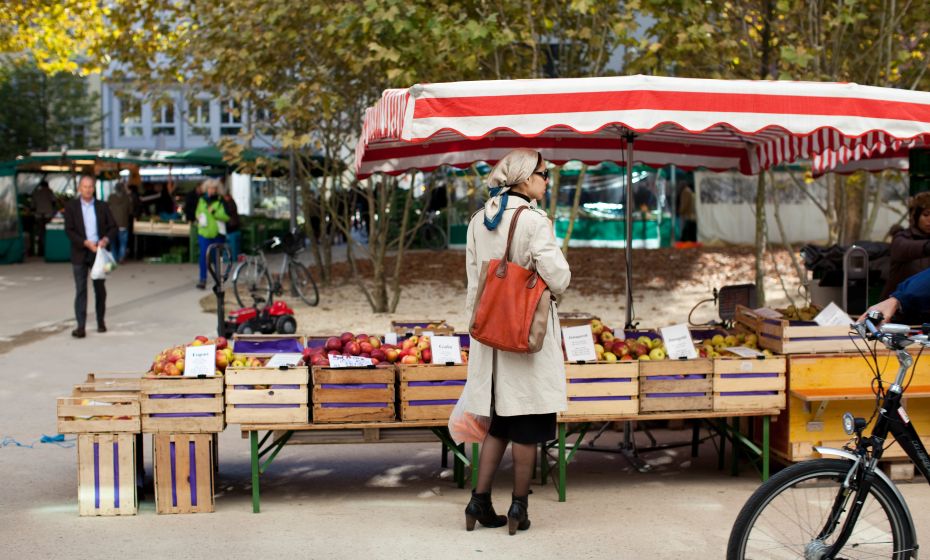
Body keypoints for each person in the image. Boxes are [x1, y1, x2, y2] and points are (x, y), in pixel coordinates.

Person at [461, 148, 571, 535]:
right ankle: (519, 508)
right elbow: (558, 276)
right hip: (525, 334)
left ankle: (479, 499)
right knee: (529, 418)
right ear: (525, 178)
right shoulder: (534, 220)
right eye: (544, 174)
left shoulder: (478, 220)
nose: (547, 180)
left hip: (489, 333)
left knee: (500, 422)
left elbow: (474, 283)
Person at [63, 175, 118, 338]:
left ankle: (101, 321)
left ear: (94, 188)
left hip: (98, 252)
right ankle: (81, 326)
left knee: (99, 288)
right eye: (84, 186)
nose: (87, 189)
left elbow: (113, 227)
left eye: (90, 187)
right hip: (80, 251)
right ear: (80, 188)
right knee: (80, 289)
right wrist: (85, 242)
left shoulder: (102, 206)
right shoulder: (71, 207)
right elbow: (69, 230)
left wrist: (105, 240)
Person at [880, 191, 930, 301]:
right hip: (897, 309)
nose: (929, 220)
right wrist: (926, 247)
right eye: (926, 215)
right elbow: (904, 248)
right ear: (916, 216)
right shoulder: (902, 237)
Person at [194, 178, 229, 289]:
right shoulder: (202, 200)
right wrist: (198, 216)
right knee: (204, 256)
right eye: (209, 188)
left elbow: (226, 217)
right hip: (204, 232)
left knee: (217, 257)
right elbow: (197, 212)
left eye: (213, 188)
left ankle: (218, 280)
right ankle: (202, 279)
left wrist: (214, 212)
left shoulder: (221, 201)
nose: (211, 190)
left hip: (217, 234)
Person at [107, 183, 133, 263]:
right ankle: (121, 257)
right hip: (123, 224)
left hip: (112, 225)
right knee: (123, 243)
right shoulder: (127, 198)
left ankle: (114, 259)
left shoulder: (111, 197)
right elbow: (130, 211)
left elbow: (107, 210)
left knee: (113, 243)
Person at [31, 180, 57, 257]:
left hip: (39, 215)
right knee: (49, 233)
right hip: (48, 215)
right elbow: (54, 201)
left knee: (40, 234)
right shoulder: (49, 192)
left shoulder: (36, 192)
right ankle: (50, 250)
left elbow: (33, 205)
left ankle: (40, 252)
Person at [222, 190, 241, 261]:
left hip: (231, 226)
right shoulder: (231, 202)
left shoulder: (229, 203)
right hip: (233, 225)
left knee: (230, 243)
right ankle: (230, 257)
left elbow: (227, 213)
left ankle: (230, 257)